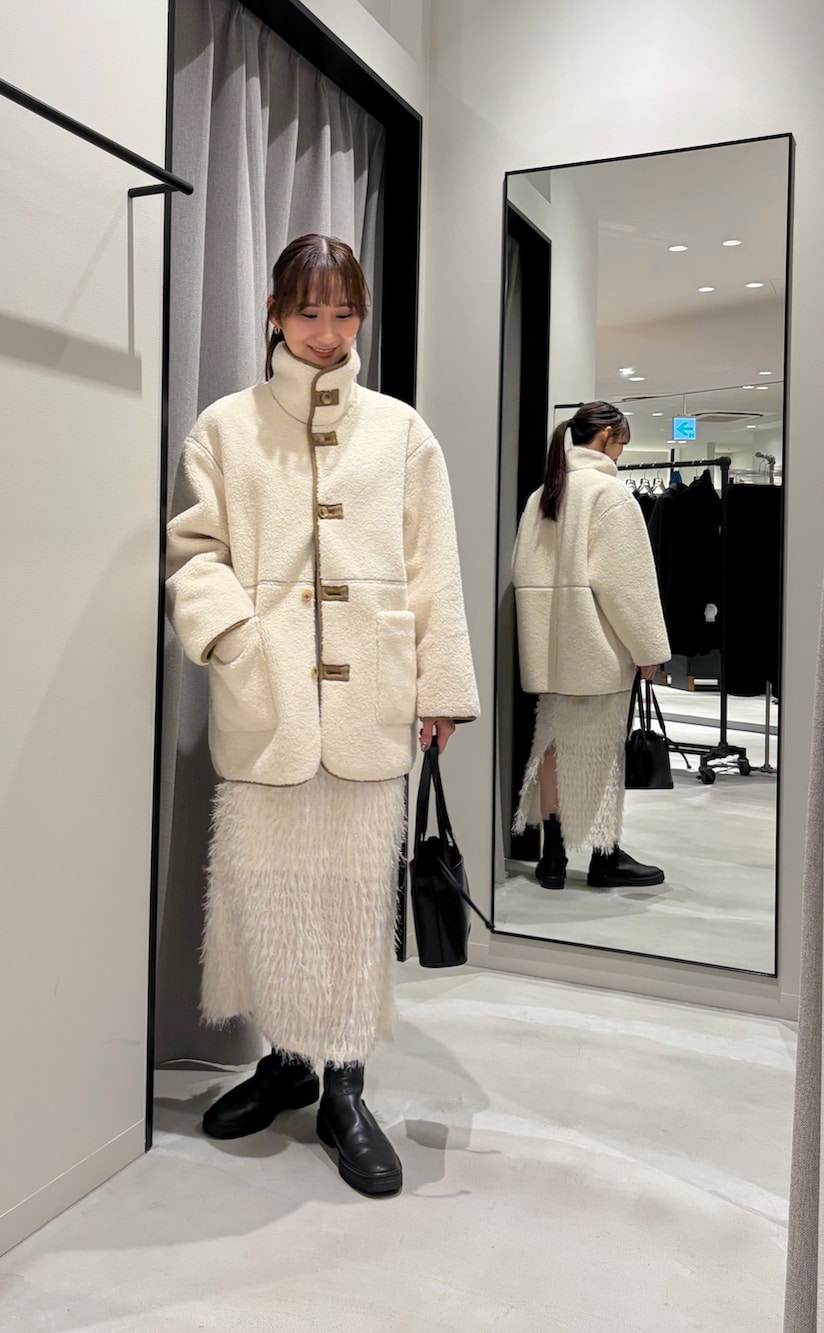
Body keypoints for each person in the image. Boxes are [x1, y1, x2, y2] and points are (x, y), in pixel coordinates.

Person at [165, 234, 479, 1197]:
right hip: (266, 704)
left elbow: (433, 566)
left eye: (345, 313)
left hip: (369, 702)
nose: (328, 332)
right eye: (309, 312)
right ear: (274, 312)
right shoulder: (225, 427)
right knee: (266, 893)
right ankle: (285, 1062)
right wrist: (235, 639)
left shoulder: (401, 433)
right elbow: (195, 552)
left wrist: (440, 688)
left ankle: (345, 1083)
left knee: (348, 897)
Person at [511, 401, 671, 892]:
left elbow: (522, 572)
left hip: (551, 655)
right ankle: (605, 855)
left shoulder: (544, 494)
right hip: (597, 649)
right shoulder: (609, 495)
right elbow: (626, 585)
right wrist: (649, 648)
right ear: (604, 437)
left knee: (553, 748)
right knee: (603, 752)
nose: (621, 452)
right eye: (621, 441)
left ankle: (553, 859)